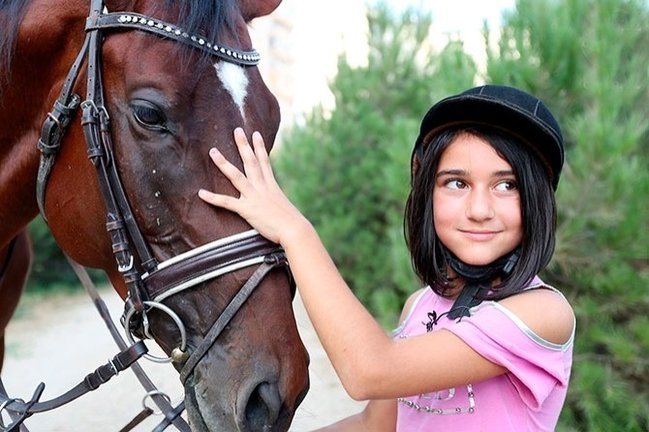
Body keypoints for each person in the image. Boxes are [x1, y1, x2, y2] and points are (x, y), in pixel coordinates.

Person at [198, 84, 575, 431]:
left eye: (506, 185)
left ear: (537, 202)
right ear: (429, 193)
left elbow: (370, 371)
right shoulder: (419, 307)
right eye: (456, 183)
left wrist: (295, 231)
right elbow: (373, 426)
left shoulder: (542, 314)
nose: (479, 209)